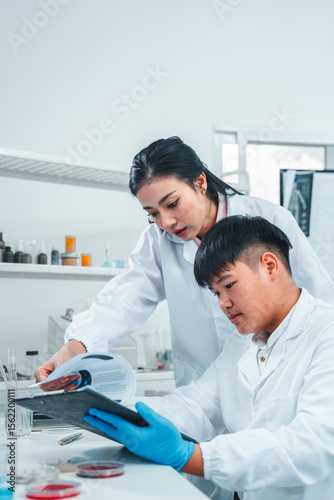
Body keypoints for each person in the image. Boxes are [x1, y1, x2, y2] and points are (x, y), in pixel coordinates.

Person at [34, 137, 334, 390]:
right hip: (203, 387)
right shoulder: (157, 241)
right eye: (152, 213)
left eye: (172, 203)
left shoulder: (269, 219)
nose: (166, 222)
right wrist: (78, 345)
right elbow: (125, 298)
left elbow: (318, 296)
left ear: (200, 182)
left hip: (278, 378)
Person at [83, 216, 334, 500]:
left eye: (229, 285)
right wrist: (114, 409)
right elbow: (197, 405)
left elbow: (313, 444)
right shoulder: (241, 342)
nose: (223, 303)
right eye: (216, 292)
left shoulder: (326, 332)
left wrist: (190, 456)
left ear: (269, 265)